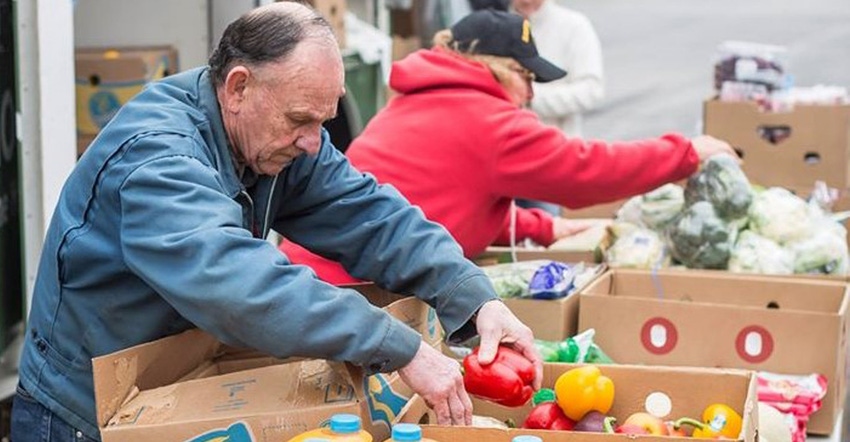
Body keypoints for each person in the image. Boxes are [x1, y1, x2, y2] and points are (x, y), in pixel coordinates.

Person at [11, 3, 541, 440]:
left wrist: (471, 295)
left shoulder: (272, 136)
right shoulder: (157, 161)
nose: (314, 142)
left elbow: (369, 214)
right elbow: (240, 284)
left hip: (169, 392)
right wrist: (400, 346)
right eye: (300, 121)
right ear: (238, 87)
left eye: (323, 121)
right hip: (85, 415)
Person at [279, 9, 737, 284]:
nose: (533, 93)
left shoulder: (419, 102)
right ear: (494, 67)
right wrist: (687, 154)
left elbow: (439, 205)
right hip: (355, 291)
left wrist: (542, 228)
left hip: (316, 277)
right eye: (527, 76)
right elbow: (586, 170)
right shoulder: (487, 120)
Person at [511, 0, 605, 216]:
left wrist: (529, 98)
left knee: (546, 236)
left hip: (551, 161)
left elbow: (592, 90)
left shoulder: (574, 25)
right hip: (505, 161)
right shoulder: (497, 24)